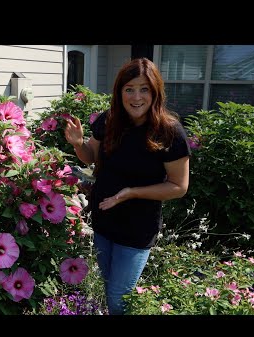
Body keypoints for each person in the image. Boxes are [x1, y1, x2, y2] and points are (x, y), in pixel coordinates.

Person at [64, 57, 190, 315]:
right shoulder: (109, 120)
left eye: (144, 89)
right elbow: (91, 157)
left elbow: (179, 186)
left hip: (137, 228)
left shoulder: (169, 132)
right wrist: (78, 144)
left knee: (119, 299)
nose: (136, 97)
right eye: (129, 89)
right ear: (119, 91)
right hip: (104, 219)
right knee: (111, 288)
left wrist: (132, 193)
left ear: (155, 92)